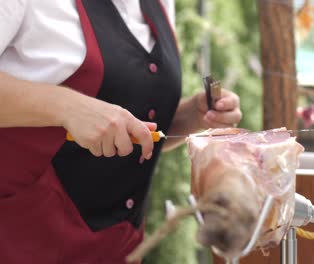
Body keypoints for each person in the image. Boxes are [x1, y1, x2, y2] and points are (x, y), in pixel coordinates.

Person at [0, 1, 242, 263]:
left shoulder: (161, 4)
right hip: (23, 242)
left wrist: (191, 116)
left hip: (121, 249)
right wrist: (68, 107)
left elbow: (131, 130)